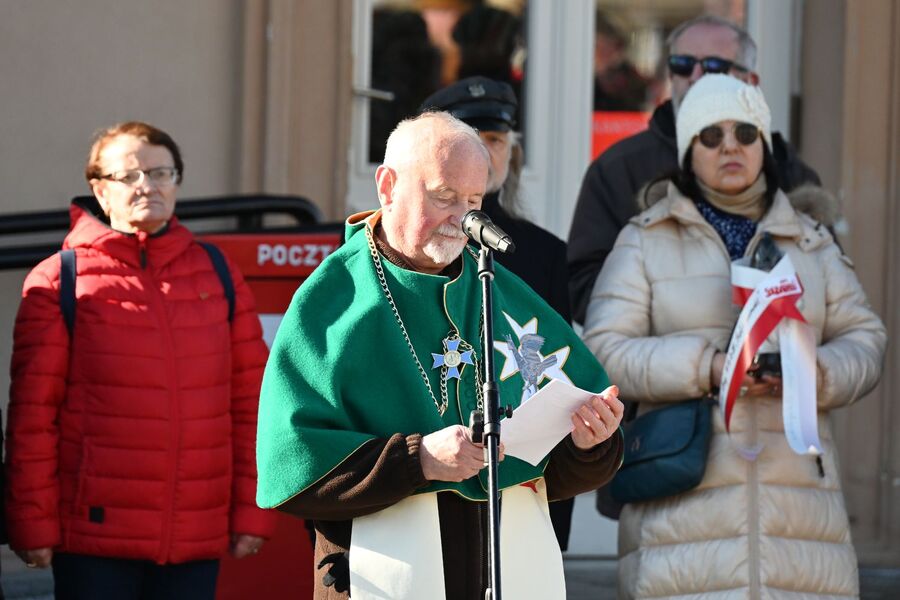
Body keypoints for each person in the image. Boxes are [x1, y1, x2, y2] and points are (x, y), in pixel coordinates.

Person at [255, 111, 625, 600]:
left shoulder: (499, 290)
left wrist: (591, 443)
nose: (464, 219)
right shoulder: (332, 301)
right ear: (387, 186)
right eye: (444, 196)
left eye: (474, 201)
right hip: (376, 573)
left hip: (508, 567)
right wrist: (419, 460)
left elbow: (558, 471)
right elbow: (294, 468)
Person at [582, 74, 886, 599]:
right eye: (711, 135)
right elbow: (604, 353)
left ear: (763, 147)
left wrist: (818, 374)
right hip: (681, 516)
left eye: (746, 133)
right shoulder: (643, 240)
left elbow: (866, 337)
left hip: (800, 519)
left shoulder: (810, 240)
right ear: (688, 151)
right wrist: (709, 369)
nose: (730, 147)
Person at [5, 122, 277, 599]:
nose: (147, 186)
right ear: (99, 190)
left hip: (195, 534)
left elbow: (251, 404)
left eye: (161, 173)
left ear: (177, 182)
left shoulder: (217, 273)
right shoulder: (58, 280)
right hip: (92, 538)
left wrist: (252, 511)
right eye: (129, 176)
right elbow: (32, 419)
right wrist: (33, 525)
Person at [568, 14, 822, 324]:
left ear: (750, 81)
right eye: (683, 64)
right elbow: (582, 287)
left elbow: (828, 292)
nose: (695, 76)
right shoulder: (618, 169)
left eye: (714, 65)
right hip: (661, 364)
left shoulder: (790, 174)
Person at [419, 76, 577, 549]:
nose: (484, 155)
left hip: (518, 490)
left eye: (494, 141)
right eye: (469, 140)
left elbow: (559, 381)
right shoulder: (400, 248)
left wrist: (554, 524)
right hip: (424, 483)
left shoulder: (544, 254)